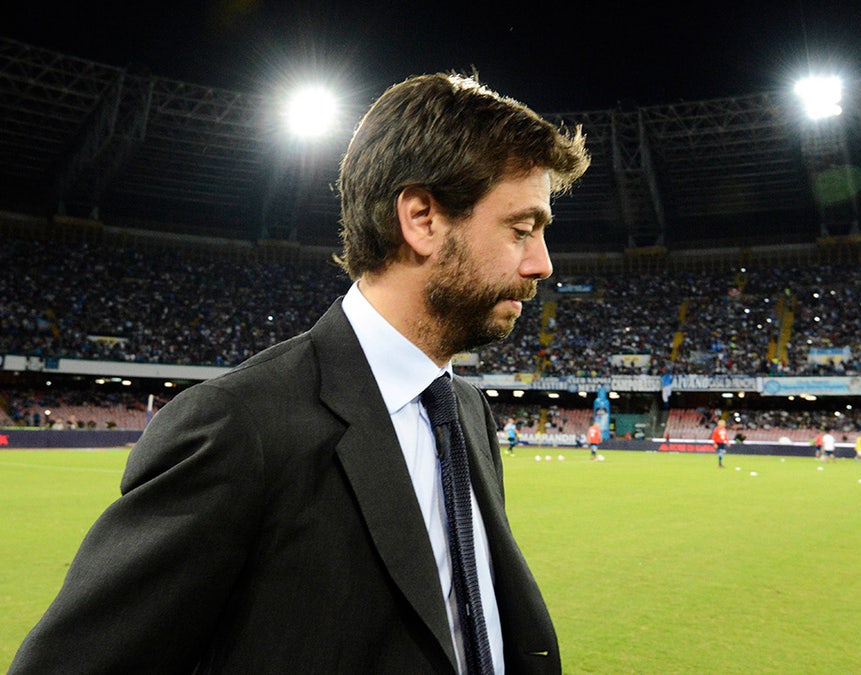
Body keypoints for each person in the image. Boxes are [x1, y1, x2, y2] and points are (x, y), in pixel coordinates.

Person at [10, 73, 590, 674]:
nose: (542, 263)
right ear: (421, 219)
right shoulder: (240, 427)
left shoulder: (465, 411)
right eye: (521, 230)